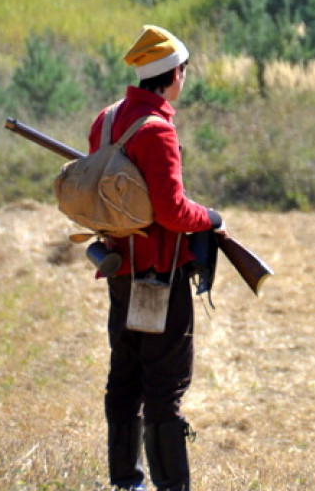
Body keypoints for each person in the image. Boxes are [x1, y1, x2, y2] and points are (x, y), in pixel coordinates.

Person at [88, 24, 223, 491]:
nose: (185, 79)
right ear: (174, 74)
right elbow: (171, 211)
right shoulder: (159, 130)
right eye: (184, 71)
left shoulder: (104, 122)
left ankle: (126, 481)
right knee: (164, 390)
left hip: (120, 272)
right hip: (160, 276)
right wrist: (210, 218)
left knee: (124, 377)